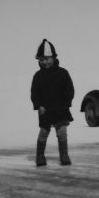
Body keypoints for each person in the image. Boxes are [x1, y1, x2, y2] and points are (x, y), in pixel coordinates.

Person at [31, 39, 75, 167]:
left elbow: (70, 90)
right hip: (45, 110)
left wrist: (66, 103)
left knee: (62, 132)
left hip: (61, 109)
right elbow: (35, 93)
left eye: (47, 59)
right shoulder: (38, 76)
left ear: (54, 58)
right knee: (44, 132)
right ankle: (40, 155)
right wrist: (39, 105)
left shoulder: (63, 73)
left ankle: (64, 155)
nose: (44, 62)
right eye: (41, 59)